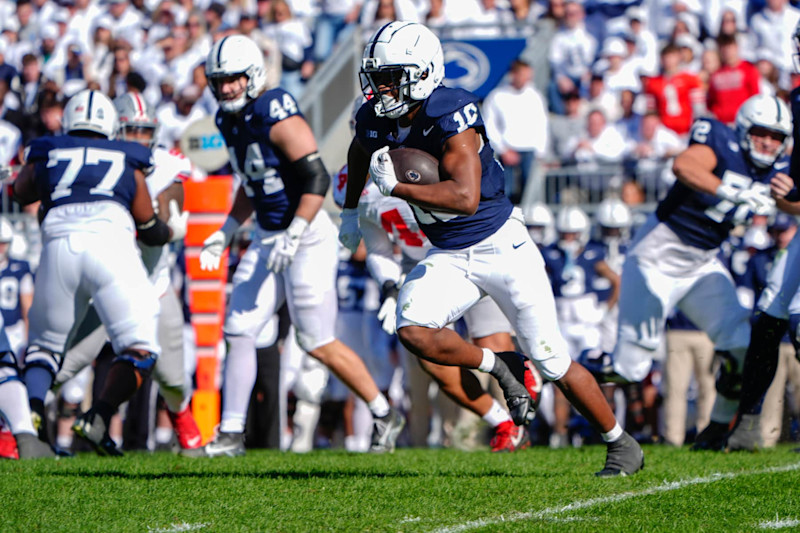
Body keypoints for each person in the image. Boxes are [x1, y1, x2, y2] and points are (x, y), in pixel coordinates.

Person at [341, 21, 642, 476]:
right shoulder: (375, 117)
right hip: (446, 254)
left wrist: (399, 190)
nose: (381, 88)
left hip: (501, 246)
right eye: (377, 76)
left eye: (391, 77)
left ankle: (620, 443)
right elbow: (360, 151)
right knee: (413, 329)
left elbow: (464, 197)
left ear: (422, 73)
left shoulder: (450, 111)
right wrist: (348, 212)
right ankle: (501, 365)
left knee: (552, 359)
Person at [200, 34, 404, 457]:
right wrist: (225, 231)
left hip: (307, 236)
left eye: (234, 79)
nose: (226, 89)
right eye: (219, 81)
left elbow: (316, 178)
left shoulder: (273, 109)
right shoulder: (226, 121)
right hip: (267, 236)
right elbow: (251, 182)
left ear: (253, 75)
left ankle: (384, 412)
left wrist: (294, 232)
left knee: (316, 340)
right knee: (238, 329)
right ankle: (232, 432)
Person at [593, 94, 795, 451]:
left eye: (777, 136)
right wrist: (728, 189)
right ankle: (567, 370)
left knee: (740, 347)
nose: (768, 142)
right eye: (762, 132)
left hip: (702, 263)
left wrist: (791, 194)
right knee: (630, 367)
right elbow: (684, 166)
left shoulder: (777, 171)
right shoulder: (721, 140)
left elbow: (791, 202)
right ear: (746, 128)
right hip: (657, 256)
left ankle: (715, 431)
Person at [14, 89, 187, 456]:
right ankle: (101, 414)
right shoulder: (129, 159)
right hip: (112, 250)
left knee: (43, 350)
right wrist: (172, 232)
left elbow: (20, 193)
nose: (140, 137)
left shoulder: (49, 149)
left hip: (59, 247)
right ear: (114, 126)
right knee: (141, 349)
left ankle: (25, 424)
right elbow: (149, 225)